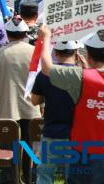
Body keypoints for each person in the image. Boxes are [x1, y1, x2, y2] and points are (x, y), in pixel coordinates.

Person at [39, 27, 104, 184]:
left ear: (88, 56)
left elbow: (47, 68)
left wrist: (46, 38)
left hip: (84, 156)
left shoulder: (80, 77)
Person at [0, 17, 41, 184]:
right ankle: (29, 177)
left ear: (7, 34)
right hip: (32, 108)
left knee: (9, 151)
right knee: (30, 149)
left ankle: (11, 179)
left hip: (6, 111)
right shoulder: (35, 53)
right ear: (25, 33)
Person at [30, 40, 79, 184]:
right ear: (76, 52)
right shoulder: (83, 74)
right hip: (75, 135)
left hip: (51, 133)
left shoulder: (45, 74)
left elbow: (34, 100)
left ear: (56, 53)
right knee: (74, 177)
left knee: (44, 176)